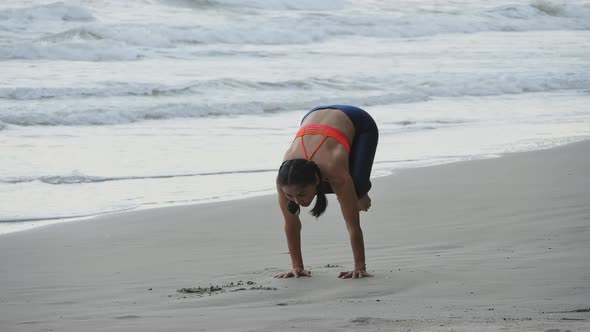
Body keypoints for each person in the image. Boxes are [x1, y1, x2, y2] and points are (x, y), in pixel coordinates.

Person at [274, 105, 379, 279]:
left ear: (317, 181)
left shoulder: (334, 170)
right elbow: (291, 223)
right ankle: (352, 191)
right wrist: (297, 267)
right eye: (290, 195)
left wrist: (359, 266)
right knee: (343, 188)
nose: (296, 201)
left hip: (357, 121)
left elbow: (353, 225)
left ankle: (361, 191)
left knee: (355, 188)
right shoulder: (283, 180)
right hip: (313, 116)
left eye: (301, 195)